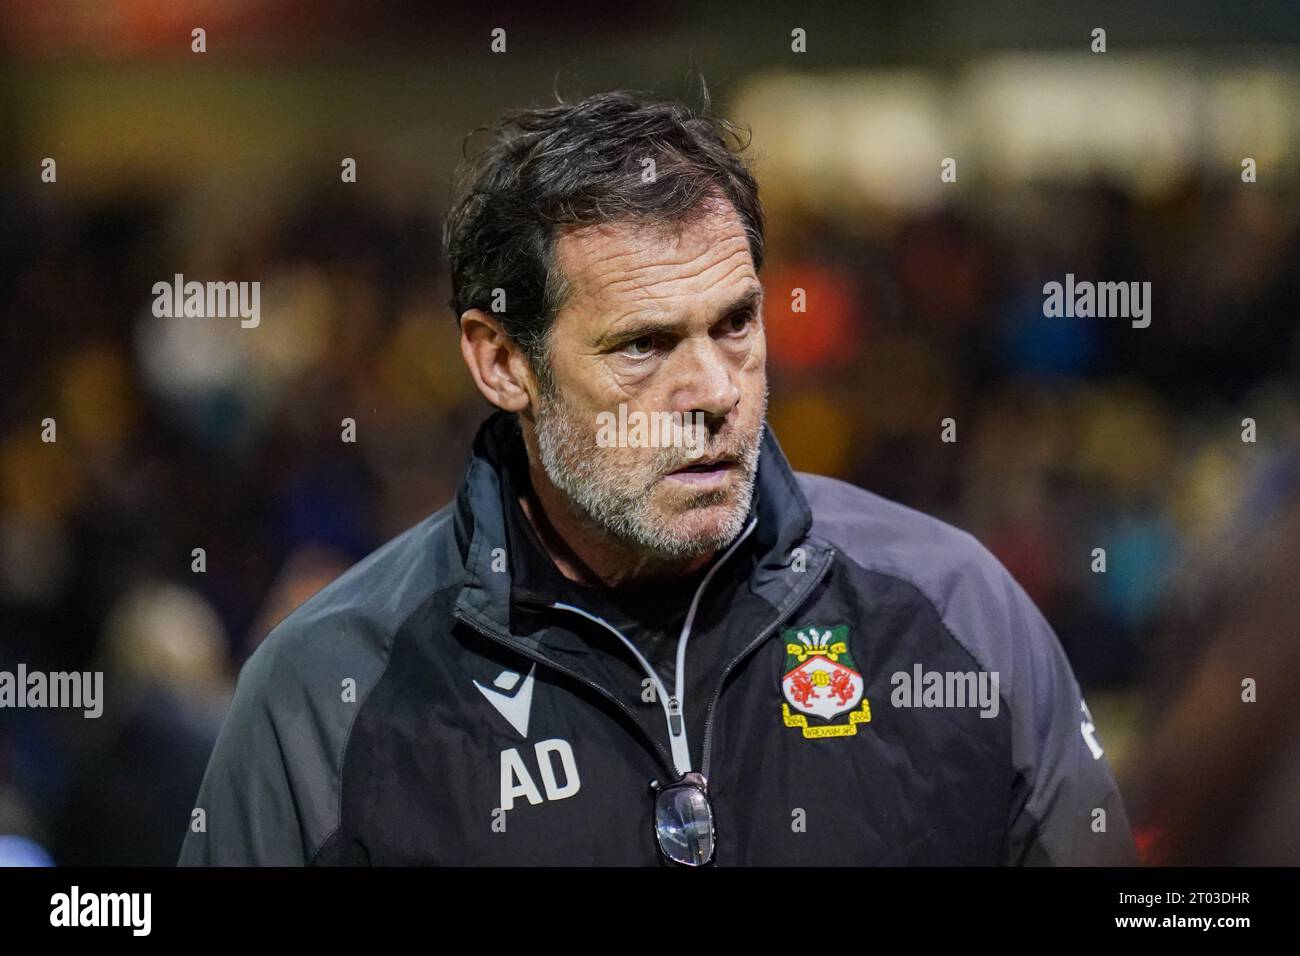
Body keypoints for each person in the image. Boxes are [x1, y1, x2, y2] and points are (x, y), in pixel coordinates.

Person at [179, 88, 1136, 866]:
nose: (714, 390)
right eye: (643, 345)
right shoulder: (324, 696)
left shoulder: (955, 611)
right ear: (502, 362)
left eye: (735, 325)